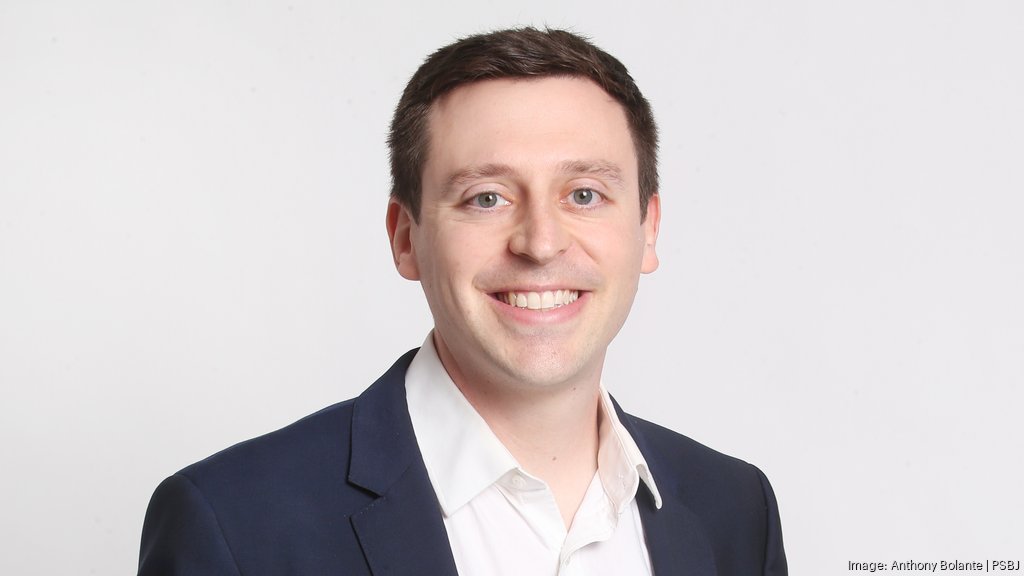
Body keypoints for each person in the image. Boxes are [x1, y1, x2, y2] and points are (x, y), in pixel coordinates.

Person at [138, 27, 788, 576]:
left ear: (648, 229)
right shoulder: (234, 525)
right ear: (405, 238)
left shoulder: (736, 511)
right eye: (487, 198)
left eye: (585, 194)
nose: (540, 242)